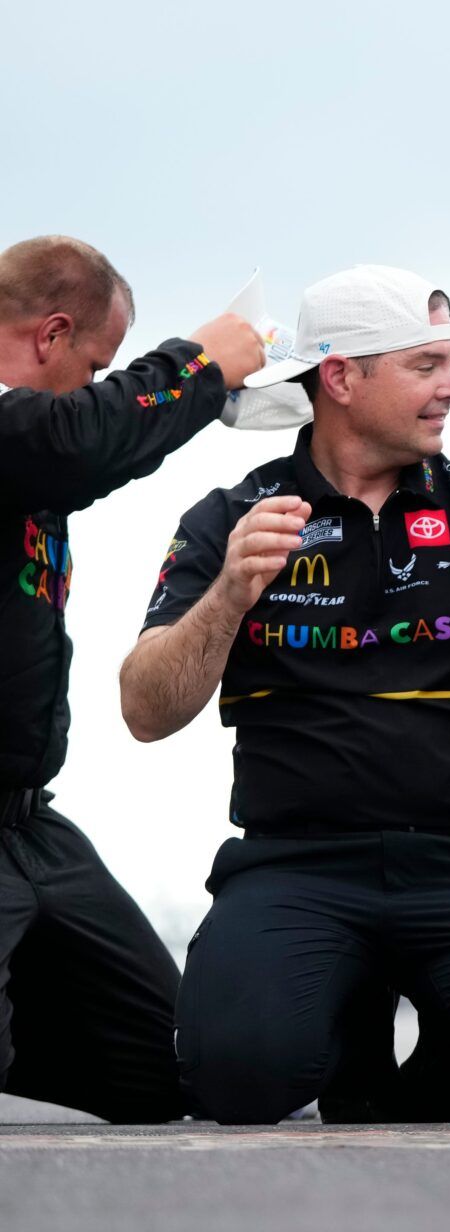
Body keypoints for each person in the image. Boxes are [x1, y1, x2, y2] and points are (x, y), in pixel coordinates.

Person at [119, 265, 450, 1124]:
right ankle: (341, 1018)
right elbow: (144, 712)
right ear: (341, 377)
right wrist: (229, 595)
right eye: (426, 365)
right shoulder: (231, 517)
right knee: (237, 1080)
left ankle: (418, 1063)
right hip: (296, 867)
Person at [0, 235, 263, 1123]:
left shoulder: (33, 455)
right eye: (95, 368)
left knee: (177, 1068)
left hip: (26, 825)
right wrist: (200, 364)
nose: (96, 387)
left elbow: (101, 447)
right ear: (51, 334)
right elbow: (80, 440)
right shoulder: (30, 436)